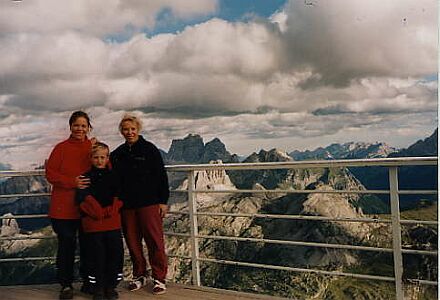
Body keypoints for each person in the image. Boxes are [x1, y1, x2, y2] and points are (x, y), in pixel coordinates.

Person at [110, 114, 169, 295]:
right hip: (127, 206)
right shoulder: (117, 154)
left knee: (154, 241)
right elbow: (108, 171)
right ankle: (140, 275)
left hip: (149, 203)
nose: (129, 132)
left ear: (138, 129)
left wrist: (163, 201)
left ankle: (159, 278)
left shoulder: (149, 149)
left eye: (132, 129)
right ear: (121, 131)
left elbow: (161, 175)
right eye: (126, 129)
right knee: (133, 241)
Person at [45, 111, 94, 299]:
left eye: (83, 125)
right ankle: (66, 284)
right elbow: (50, 174)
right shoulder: (61, 148)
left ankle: (88, 281)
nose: (79, 129)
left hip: (87, 207)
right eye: (76, 125)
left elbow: (105, 168)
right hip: (62, 208)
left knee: (88, 245)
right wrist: (72, 182)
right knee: (66, 245)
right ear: (70, 127)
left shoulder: (93, 147)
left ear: (88, 127)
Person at [76, 142, 124, 300]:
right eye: (96, 157)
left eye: (102, 157)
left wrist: (114, 207)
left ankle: (110, 287)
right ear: (90, 158)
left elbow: (120, 195)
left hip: (112, 223)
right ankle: (97, 288)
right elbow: (82, 198)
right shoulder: (84, 177)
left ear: (107, 158)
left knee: (114, 255)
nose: (99, 160)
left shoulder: (115, 176)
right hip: (93, 224)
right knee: (95, 256)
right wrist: (96, 210)